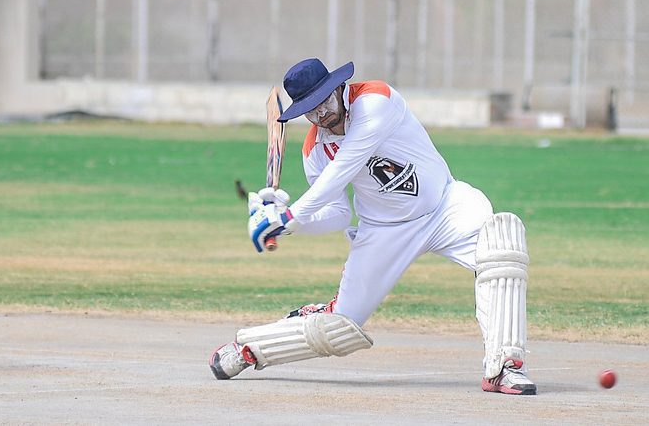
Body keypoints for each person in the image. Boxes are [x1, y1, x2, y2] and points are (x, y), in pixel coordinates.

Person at [209, 58, 535, 395]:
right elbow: (338, 214)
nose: (321, 114)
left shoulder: (376, 100)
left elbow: (344, 167)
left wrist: (289, 215)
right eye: (309, 110)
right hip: (383, 230)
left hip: (445, 206)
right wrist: (286, 225)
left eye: (324, 101)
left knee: (501, 246)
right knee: (337, 327)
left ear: (338, 87)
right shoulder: (315, 150)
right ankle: (248, 348)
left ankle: (505, 367)